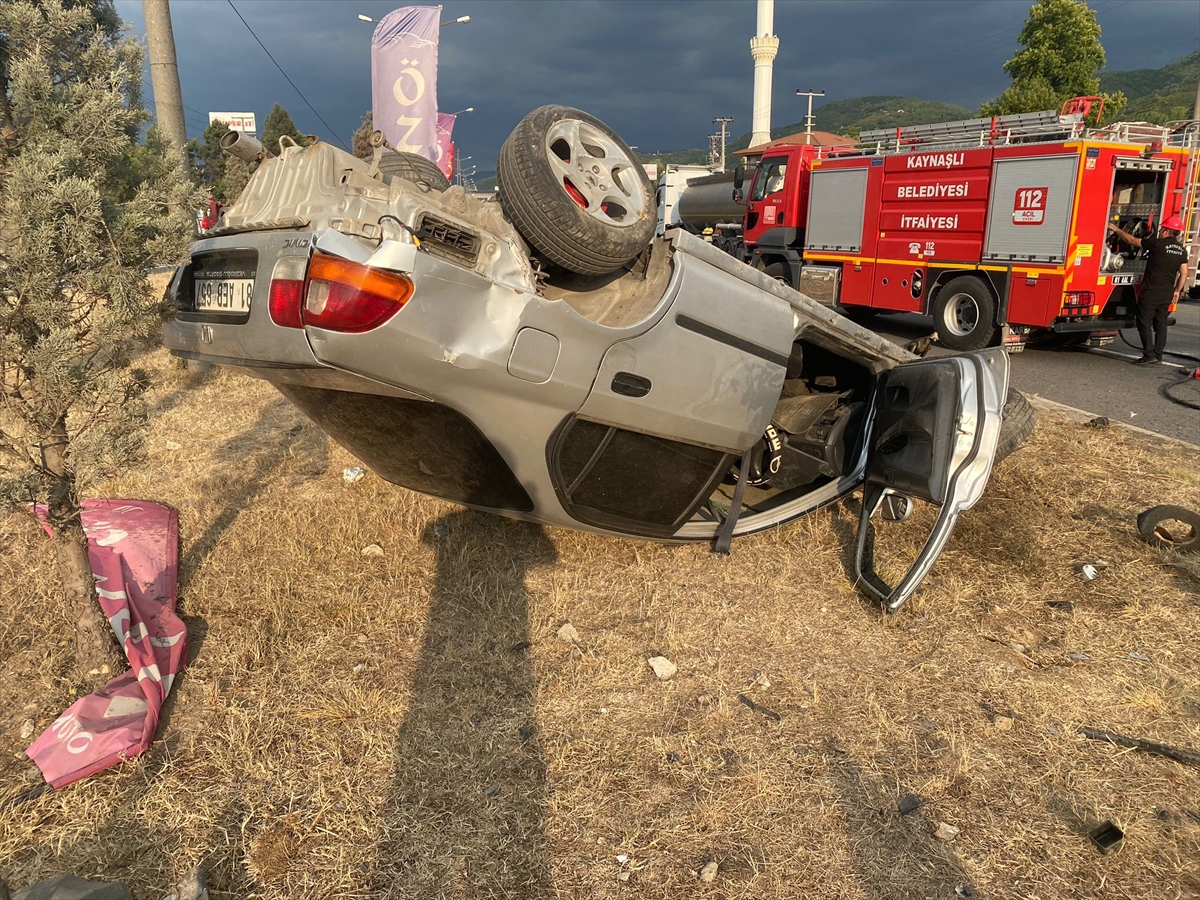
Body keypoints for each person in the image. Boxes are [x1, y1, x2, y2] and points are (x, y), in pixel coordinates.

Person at [1107, 215, 1189, 366]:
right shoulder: (1182, 251)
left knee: (1144, 321)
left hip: (1151, 290)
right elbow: (1184, 273)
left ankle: (1148, 354)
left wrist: (1117, 229)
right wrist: (1177, 290)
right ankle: (1158, 354)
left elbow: (1132, 241)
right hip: (1167, 292)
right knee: (1161, 323)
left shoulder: (1157, 244)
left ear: (1165, 230)